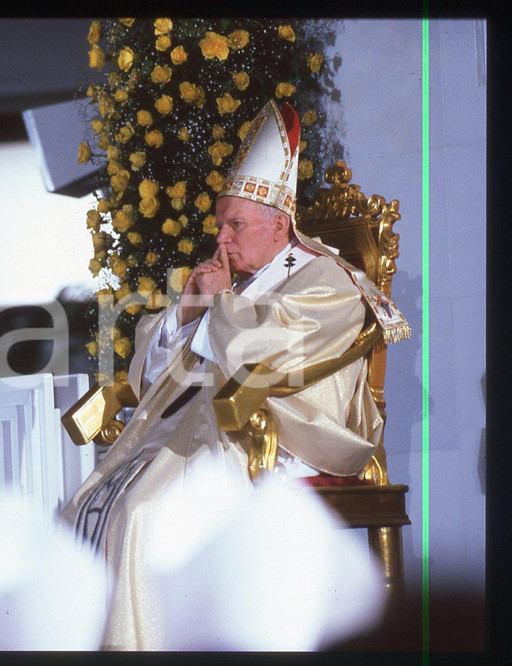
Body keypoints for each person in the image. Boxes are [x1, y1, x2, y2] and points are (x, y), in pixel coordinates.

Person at [60, 99, 409, 651]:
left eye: (235, 225)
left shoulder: (329, 280)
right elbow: (170, 372)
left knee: (143, 513)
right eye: (219, 225)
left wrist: (219, 307)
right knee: (84, 505)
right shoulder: (242, 284)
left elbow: (271, 353)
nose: (221, 238)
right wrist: (188, 312)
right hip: (204, 431)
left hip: (284, 432)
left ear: (279, 223)